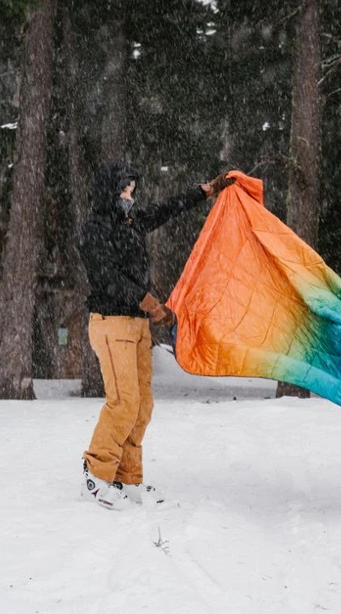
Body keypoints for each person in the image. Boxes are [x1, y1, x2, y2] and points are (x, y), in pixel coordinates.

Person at [78, 160, 234, 510]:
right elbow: (107, 277)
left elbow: (164, 210)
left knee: (142, 405)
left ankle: (127, 477)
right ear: (108, 190)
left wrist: (204, 192)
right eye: (124, 189)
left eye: (132, 188)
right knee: (123, 402)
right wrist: (149, 302)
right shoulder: (93, 229)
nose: (129, 195)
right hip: (111, 322)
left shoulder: (130, 221)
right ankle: (96, 474)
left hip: (136, 325)